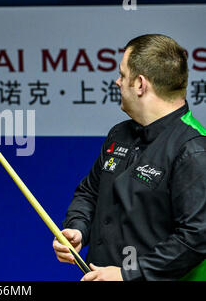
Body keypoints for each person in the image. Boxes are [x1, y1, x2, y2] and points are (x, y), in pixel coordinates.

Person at [53, 34, 206, 281]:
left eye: (122, 75)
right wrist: (78, 228)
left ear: (140, 84)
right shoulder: (119, 134)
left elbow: (195, 239)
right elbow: (89, 193)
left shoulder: (194, 149)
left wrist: (128, 274)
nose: (117, 81)